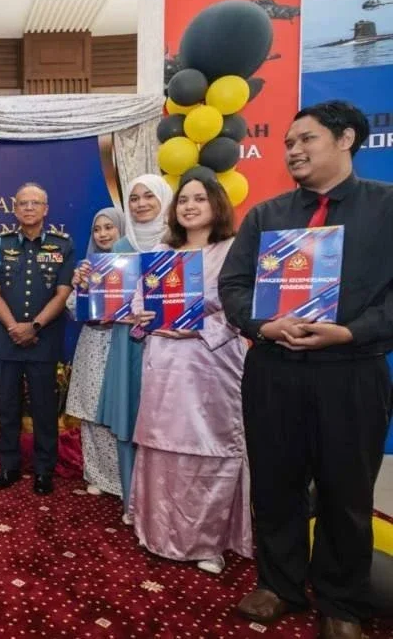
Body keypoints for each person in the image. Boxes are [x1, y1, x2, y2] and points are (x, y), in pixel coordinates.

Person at [219, 100, 392, 639]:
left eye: (306, 140)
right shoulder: (267, 215)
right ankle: (280, 584)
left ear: (345, 140)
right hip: (274, 369)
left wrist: (351, 332)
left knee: (347, 490)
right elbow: (233, 286)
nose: (292, 150)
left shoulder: (386, 208)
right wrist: (262, 326)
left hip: (352, 371)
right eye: (288, 142)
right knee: (275, 483)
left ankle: (342, 602)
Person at [129, 175, 252, 576]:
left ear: (217, 204)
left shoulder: (232, 250)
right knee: (161, 444)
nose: (190, 206)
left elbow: (242, 307)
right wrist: (142, 316)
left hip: (211, 366)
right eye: (184, 199)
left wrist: (199, 327)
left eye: (200, 198)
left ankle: (208, 542)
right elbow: (138, 303)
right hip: (164, 363)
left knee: (208, 446)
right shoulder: (163, 250)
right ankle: (156, 529)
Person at [0, 182, 75, 496]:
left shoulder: (63, 246)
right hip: (7, 340)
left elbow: (63, 293)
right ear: (14, 208)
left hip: (43, 341)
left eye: (35, 203)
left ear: (46, 209)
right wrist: (13, 327)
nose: (29, 208)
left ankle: (43, 470)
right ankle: (8, 466)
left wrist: (33, 327)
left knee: (44, 409)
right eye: (23, 203)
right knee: (7, 407)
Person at [95, 174, 173, 522]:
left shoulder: (178, 246)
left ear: (164, 201)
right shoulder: (120, 248)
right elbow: (107, 306)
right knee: (128, 422)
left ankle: (164, 506)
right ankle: (132, 502)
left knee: (166, 426)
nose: (141, 204)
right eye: (135, 198)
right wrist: (90, 288)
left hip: (172, 349)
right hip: (127, 346)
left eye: (148, 197)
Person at [65, 206, 125, 497]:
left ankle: (125, 479)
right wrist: (81, 287)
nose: (102, 234)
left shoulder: (138, 263)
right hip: (93, 342)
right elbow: (75, 310)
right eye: (97, 229)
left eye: (109, 227)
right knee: (91, 409)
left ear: (121, 229)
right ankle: (98, 476)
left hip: (124, 343)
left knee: (120, 409)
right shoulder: (87, 267)